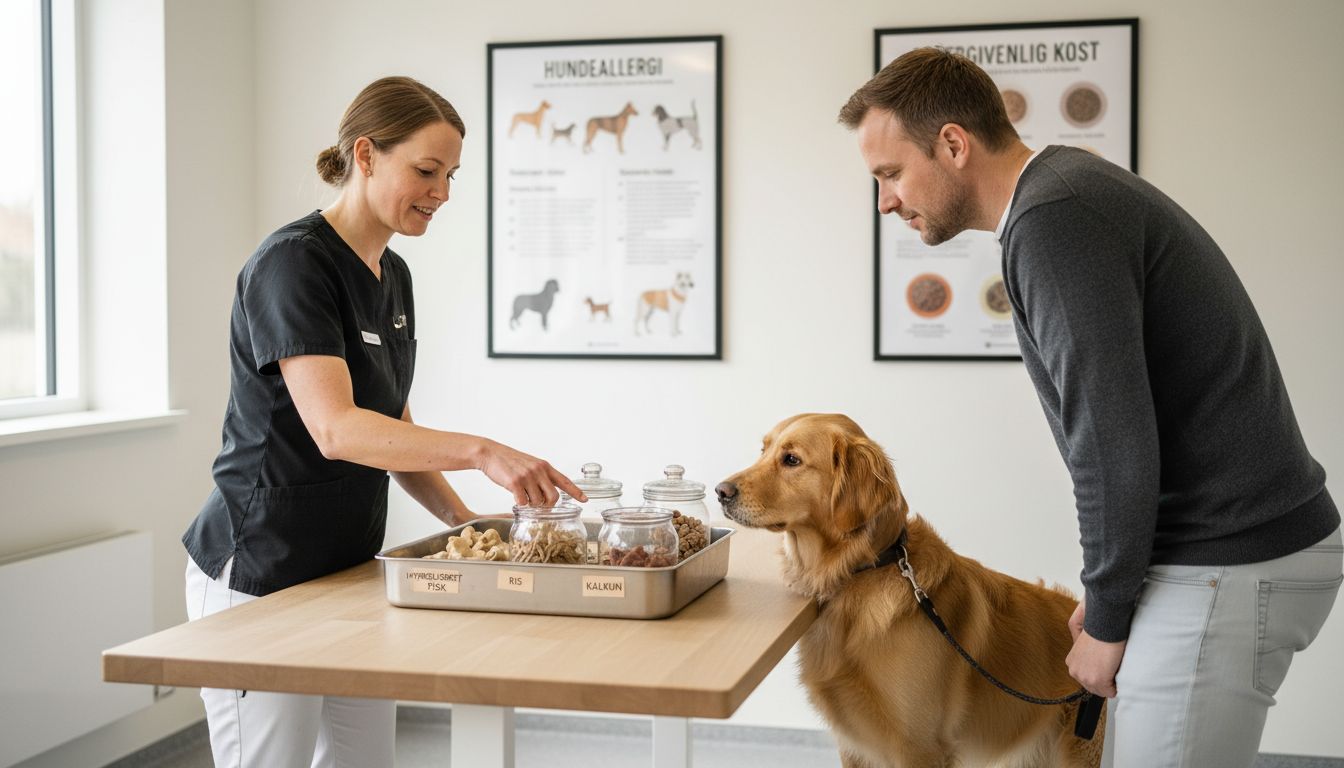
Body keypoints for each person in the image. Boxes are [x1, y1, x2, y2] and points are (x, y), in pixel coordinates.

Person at [838, 47, 1341, 766]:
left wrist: (1107, 619)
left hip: (1228, 557)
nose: (885, 200)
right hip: (1223, 551)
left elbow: (1111, 443)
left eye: (890, 173)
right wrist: (1111, 595)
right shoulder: (1061, 197)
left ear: (953, 143)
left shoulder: (1055, 220)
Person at [181, 76, 586, 767]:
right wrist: (483, 451)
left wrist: (464, 524)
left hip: (345, 573)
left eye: (451, 175)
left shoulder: (391, 274)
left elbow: (392, 425)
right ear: (366, 155)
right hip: (261, 572)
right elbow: (338, 430)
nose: (442, 193)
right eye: (427, 171)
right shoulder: (293, 264)